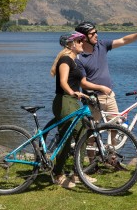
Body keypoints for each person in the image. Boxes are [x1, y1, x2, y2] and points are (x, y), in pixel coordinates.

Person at [75, 21, 137, 122]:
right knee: (92, 134)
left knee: (116, 129)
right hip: (93, 100)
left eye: (96, 32)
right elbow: (83, 83)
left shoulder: (102, 45)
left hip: (110, 96)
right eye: (92, 33)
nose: (96, 35)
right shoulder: (79, 58)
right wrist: (100, 87)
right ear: (84, 37)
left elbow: (123, 40)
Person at [50, 31, 97, 188]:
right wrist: (72, 92)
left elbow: (81, 82)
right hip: (64, 100)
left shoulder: (76, 62)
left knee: (84, 132)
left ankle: (77, 174)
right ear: (71, 44)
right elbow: (63, 82)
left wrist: (91, 92)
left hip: (74, 101)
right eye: (80, 41)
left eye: (83, 41)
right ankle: (58, 174)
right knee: (67, 135)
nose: (82, 44)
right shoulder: (65, 59)